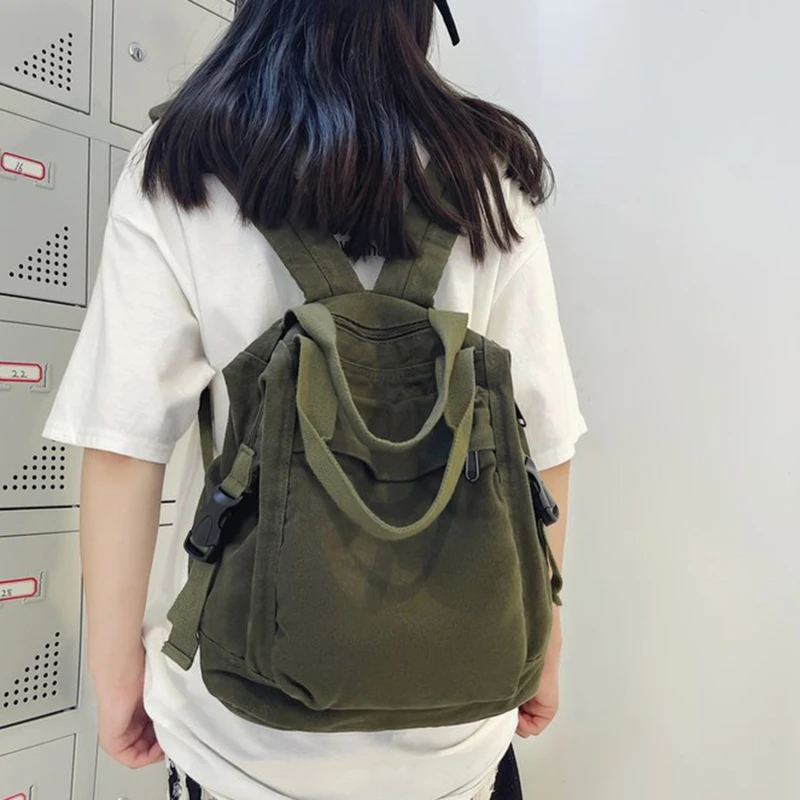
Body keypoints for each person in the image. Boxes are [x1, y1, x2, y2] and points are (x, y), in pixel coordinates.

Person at [44, 1, 586, 798]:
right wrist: (545, 638)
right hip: (458, 733)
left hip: (240, 738)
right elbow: (542, 441)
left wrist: (115, 672)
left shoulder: (183, 160)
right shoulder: (489, 171)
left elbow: (125, 444)